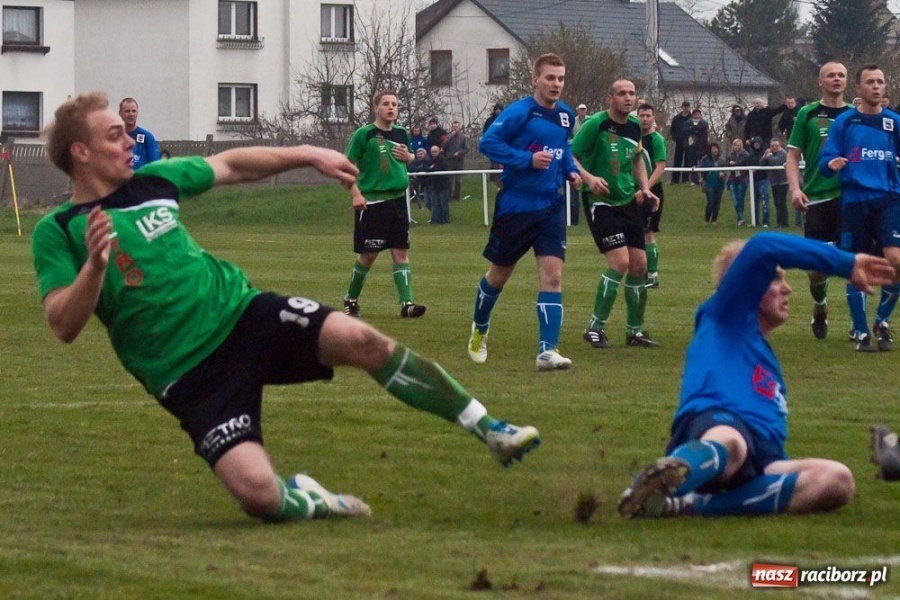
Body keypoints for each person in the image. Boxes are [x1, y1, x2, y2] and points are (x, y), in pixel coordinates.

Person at [32, 91, 543, 524]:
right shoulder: (57, 231)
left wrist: (308, 153)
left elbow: (231, 164)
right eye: (114, 135)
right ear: (81, 151)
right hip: (187, 375)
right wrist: (94, 268)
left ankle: (490, 429)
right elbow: (62, 324)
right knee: (259, 497)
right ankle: (310, 498)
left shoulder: (155, 181)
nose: (129, 140)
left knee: (362, 340)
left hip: (242, 316)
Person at [617, 232, 893, 519]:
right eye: (775, 279)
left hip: (760, 459)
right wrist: (845, 263)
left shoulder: (766, 361)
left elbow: (770, 450)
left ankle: (684, 504)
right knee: (731, 442)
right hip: (719, 429)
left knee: (837, 479)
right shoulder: (725, 317)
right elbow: (763, 246)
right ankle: (668, 477)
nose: (787, 289)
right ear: (747, 284)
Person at [468, 52, 581, 371]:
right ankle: (479, 328)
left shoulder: (565, 115)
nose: (556, 84)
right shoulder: (520, 112)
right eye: (550, 78)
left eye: (560, 78)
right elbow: (487, 143)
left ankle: (547, 351)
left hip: (551, 205)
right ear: (535, 79)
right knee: (499, 275)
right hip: (517, 206)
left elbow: (564, 148)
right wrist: (526, 160)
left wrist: (571, 171)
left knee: (553, 276)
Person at [573, 78, 660, 349]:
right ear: (610, 98)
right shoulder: (595, 124)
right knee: (620, 263)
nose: (628, 97)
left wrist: (644, 188)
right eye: (622, 93)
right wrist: (589, 179)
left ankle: (634, 332)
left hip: (627, 201)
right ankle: (594, 328)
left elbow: (637, 159)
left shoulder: (634, 126)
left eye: (631, 93)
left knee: (640, 266)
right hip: (601, 203)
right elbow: (570, 155)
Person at [819, 64, 900, 352]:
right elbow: (826, 160)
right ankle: (862, 332)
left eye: (880, 81)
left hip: (889, 198)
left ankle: (882, 321)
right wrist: (831, 163)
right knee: (856, 266)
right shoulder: (846, 122)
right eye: (870, 82)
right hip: (855, 200)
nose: (876, 86)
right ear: (859, 88)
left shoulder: (893, 122)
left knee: (896, 260)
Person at [343, 90, 426, 319]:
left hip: (398, 200)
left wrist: (409, 157)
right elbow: (344, 166)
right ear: (376, 108)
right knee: (369, 255)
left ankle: (407, 304)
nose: (391, 108)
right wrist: (355, 194)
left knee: (400, 252)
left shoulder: (401, 133)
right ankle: (350, 299)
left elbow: (409, 157)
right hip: (373, 202)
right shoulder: (364, 134)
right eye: (386, 104)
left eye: (395, 104)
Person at [787, 62, 853, 340]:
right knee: (816, 269)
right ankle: (820, 305)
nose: (836, 79)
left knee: (854, 262)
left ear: (847, 81)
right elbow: (792, 155)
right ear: (820, 81)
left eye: (841, 75)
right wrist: (795, 189)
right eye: (831, 75)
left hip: (851, 197)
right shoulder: (808, 113)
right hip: (817, 197)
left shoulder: (855, 114)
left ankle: (858, 323)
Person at [636, 103, 667, 288]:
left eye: (648, 116)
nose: (645, 119)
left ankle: (652, 276)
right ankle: (640, 272)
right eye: (642, 115)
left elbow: (660, 166)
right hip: (635, 191)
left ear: (653, 118)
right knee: (636, 233)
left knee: (648, 233)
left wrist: (645, 188)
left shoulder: (657, 139)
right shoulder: (634, 138)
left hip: (651, 191)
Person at [118, 97, 160, 170]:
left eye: (134, 111)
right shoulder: (114, 136)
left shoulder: (147, 137)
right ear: (120, 113)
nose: (131, 114)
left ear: (137, 113)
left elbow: (156, 164)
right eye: (127, 111)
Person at [761, 138, 789, 227]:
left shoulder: (783, 153)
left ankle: (784, 223)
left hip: (783, 182)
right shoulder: (770, 153)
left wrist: (769, 155)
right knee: (776, 203)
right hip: (774, 182)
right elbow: (761, 164)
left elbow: (775, 162)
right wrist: (764, 156)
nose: (774, 147)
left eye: (776, 146)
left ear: (780, 146)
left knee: (781, 203)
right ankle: (779, 222)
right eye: (772, 146)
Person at [745, 136, 770, 227]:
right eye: (755, 143)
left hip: (763, 180)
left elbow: (765, 164)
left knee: (764, 201)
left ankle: (766, 222)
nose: (757, 144)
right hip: (753, 181)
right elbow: (747, 166)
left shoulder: (765, 154)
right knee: (754, 202)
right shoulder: (750, 155)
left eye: (759, 143)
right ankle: (755, 221)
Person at [699, 142, 726, 225]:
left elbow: (725, 171)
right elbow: (702, 170)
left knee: (717, 203)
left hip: (719, 184)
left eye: (716, 148)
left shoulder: (721, 161)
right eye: (713, 148)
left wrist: (723, 174)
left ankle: (714, 220)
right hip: (709, 184)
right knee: (711, 202)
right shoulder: (705, 159)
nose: (715, 150)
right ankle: (706, 220)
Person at [442, 120, 468, 201]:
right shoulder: (448, 136)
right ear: (451, 127)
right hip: (449, 160)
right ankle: (448, 196)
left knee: (458, 181)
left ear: (459, 127)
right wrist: (450, 137)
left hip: (459, 161)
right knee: (449, 180)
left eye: (457, 127)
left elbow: (466, 148)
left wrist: (459, 153)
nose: (455, 128)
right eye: (454, 127)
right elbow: (443, 145)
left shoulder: (463, 137)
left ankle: (456, 197)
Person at [726, 139, 750, 226]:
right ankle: (740, 217)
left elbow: (746, 165)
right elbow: (726, 164)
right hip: (733, 179)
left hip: (742, 179)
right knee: (735, 200)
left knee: (740, 199)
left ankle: (740, 218)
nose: (736, 147)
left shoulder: (746, 155)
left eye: (738, 145)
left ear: (741, 146)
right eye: (735, 145)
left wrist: (735, 163)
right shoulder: (730, 155)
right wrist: (729, 163)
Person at [425, 145, 450, 224]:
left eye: (435, 151)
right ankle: (436, 220)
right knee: (436, 203)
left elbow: (440, 167)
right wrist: (431, 168)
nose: (434, 153)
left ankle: (445, 220)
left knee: (443, 203)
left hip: (443, 184)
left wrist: (431, 168)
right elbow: (425, 167)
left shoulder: (443, 159)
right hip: (434, 184)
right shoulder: (429, 159)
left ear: (439, 151)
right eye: (432, 152)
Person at [669, 100, 692, 184]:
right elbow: (672, 130)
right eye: (684, 106)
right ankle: (674, 179)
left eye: (687, 106)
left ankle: (685, 179)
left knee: (687, 161)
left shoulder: (692, 118)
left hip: (689, 142)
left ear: (689, 107)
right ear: (682, 107)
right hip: (679, 142)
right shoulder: (676, 118)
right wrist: (675, 138)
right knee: (677, 160)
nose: (686, 108)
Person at [684, 108, 709, 185]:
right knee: (692, 163)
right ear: (692, 115)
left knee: (702, 162)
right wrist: (695, 130)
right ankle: (694, 180)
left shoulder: (704, 123)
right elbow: (685, 131)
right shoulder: (688, 122)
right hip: (691, 146)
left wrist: (693, 129)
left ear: (701, 115)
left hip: (702, 146)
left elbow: (702, 129)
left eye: (698, 114)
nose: (696, 115)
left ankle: (703, 178)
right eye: (695, 114)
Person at [483, 104, 504, 188]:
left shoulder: (505, 118)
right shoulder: (489, 120)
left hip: (502, 144)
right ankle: (494, 177)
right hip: (492, 144)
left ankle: (500, 178)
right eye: (497, 109)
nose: (498, 111)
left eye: (499, 109)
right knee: (493, 162)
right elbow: (485, 132)